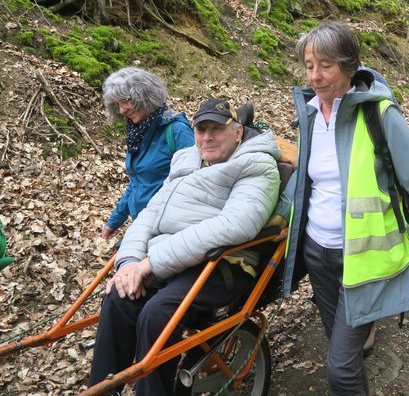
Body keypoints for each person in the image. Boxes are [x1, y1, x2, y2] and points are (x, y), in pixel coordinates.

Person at [270, 21, 409, 396]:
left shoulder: (378, 114)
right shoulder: (310, 115)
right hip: (319, 256)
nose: (314, 76)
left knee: (340, 369)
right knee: (342, 356)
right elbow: (305, 185)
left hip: (364, 261)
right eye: (309, 65)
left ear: (349, 66)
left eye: (325, 66)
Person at [89, 98, 281, 395]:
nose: (207, 137)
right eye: (201, 129)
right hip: (171, 260)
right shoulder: (186, 160)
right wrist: (128, 262)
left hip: (223, 266)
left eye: (217, 129)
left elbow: (235, 225)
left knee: (157, 314)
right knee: (118, 297)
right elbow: (150, 214)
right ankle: (103, 389)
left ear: (238, 132)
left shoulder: (256, 165)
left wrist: (150, 264)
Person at [101, 67, 194, 239]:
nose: (122, 110)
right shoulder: (137, 133)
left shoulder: (176, 130)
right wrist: (115, 220)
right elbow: (138, 182)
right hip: (142, 224)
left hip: (167, 229)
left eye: (126, 101)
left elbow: (194, 183)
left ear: (144, 95)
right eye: (117, 104)